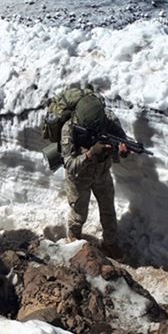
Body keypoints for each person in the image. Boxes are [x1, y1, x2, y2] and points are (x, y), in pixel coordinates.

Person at [58, 88, 129, 257]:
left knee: (108, 211)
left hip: (102, 173)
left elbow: (121, 141)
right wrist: (90, 153)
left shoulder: (109, 120)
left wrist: (122, 151)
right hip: (79, 178)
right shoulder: (69, 129)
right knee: (79, 214)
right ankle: (74, 241)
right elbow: (69, 164)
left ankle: (110, 243)